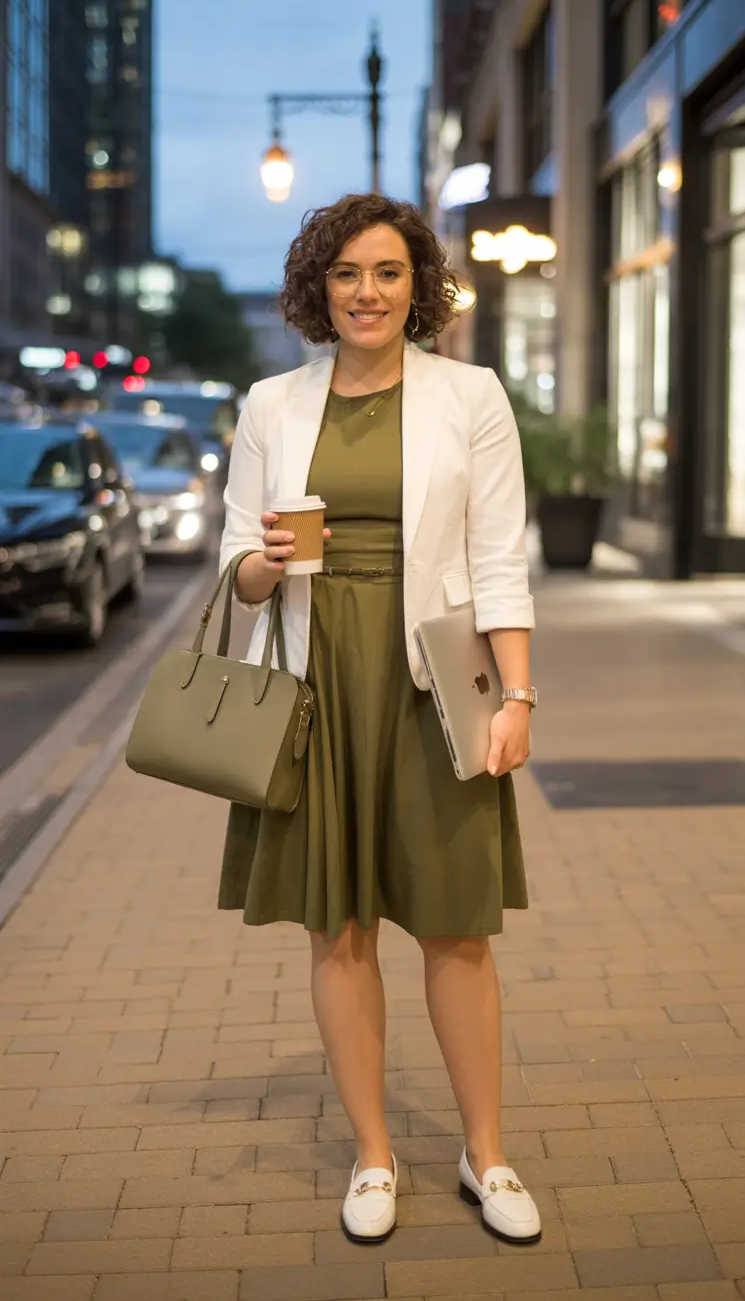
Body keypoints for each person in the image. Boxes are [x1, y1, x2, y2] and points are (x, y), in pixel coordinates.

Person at [218, 193, 540, 1245]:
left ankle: (485, 1154)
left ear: (419, 287)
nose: (368, 292)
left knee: (457, 925)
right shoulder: (272, 403)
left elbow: (498, 558)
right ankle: (373, 1154)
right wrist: (265, 560)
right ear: (319, 288)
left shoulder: (470, 395)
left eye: (389, 272)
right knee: (339, 925)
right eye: (348, 273)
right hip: (317, 686)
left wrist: (517, 697)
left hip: (432, 681)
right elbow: (238, 564)